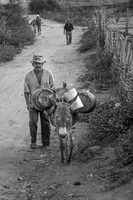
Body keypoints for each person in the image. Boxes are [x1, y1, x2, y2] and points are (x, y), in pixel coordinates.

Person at [24, 55, 54, 149]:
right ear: (33, 64)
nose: (38, 65)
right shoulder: (28, 75)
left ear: (43, 64)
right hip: (33, 103)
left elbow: (53, 87)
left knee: (45, 122)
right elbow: (26, 90)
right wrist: (28, 103)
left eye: (40, 63)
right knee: (33, 122)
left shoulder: (48, 73)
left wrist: (51, 99)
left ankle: (46, 144)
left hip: (46, 102)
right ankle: (33, 142)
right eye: (36, 63)